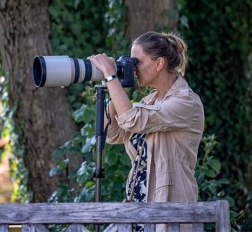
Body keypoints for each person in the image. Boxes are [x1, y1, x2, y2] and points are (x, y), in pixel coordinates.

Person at [88, 31, 205, 231]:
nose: (133, 67)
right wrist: (115, 81)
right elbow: (114, 133)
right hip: (137, 208)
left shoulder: (186, 102)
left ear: (159, 64)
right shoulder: (149, 102)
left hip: (167, 210)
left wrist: (111, 77)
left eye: (137, 61)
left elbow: (133, 120)